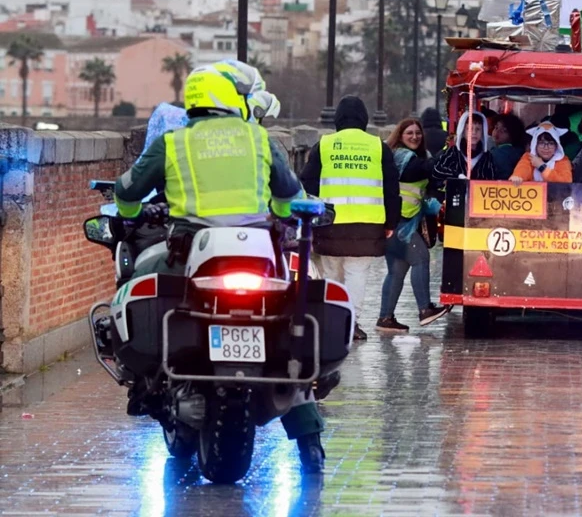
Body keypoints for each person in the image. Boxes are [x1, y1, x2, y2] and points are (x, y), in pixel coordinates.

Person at [112, 63, 329, 474]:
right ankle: (310, 445)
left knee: (140, 279)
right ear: (232, 100)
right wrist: (281, 214)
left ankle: (145, 378)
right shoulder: (259, 138)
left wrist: (129, 215)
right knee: (289, 333)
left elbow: (128, 191)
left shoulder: (174, 142)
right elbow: (288, 198)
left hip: (190, 250)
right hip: (259, 252)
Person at [300, 95, 401, 338]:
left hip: (329, 223)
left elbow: (307, 184)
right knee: (358, 274)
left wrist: (306, 221)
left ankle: (333, 320)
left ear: (337, 119)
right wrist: (391, 222)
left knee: (332, 274)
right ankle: (352, 323)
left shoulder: (324, 145)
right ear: (365, 119)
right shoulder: (378, 147)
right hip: (368, 225)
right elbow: (391, 188)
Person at [379, 119, 453, 330]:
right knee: (421, 258)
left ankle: (385, 319)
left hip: (396, 222)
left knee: (397, 270)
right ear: (400, 136)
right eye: (409, 133)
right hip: (400, 223)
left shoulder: (411, 157)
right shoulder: (402, 157)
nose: (414, 136)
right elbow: (419, 171)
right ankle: (425, 309)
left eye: (418, 133)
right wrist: (450, 151)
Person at [432, 110, 498, 182]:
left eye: (478, 129)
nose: (474, 132)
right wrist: (457, 175)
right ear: (463, 131)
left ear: (483, 132)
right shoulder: (453, 152)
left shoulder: (487, 157)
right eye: (469, 129)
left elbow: (492, 181)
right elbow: (437, 171)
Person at [490, 112, 528, 180]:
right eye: (496, 127)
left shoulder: (499, 153)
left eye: (504, 130)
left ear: (513, 134)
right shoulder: (521, 151)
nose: (498, 132)